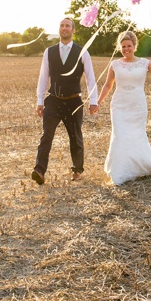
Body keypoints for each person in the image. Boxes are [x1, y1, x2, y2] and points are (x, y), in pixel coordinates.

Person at [97, 30, 151, 186]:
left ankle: (139, 167)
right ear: (120, 47)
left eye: (129, 46)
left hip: (137, 106)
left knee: (136, 135)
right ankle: (120, 171)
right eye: (123, 46)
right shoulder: (115, 64)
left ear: (134, 46)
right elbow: (107, 85)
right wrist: (98, 102)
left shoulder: (144, 63)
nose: (126, 49)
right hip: (119, 106)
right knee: (120, 136)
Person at [31, 16, 98, 184]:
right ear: (59, 29)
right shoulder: (49, 51)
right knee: (46, 135)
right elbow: (43, 77)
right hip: (53, 100)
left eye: (68, 26)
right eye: (62, 25)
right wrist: (40, 100)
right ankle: (39, 170)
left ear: (73, 30)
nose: (64, 28)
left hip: (74, 102)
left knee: (75, 137)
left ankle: (77, 170)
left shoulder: (83, 52)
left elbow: (90, 78)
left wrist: (93, 101)